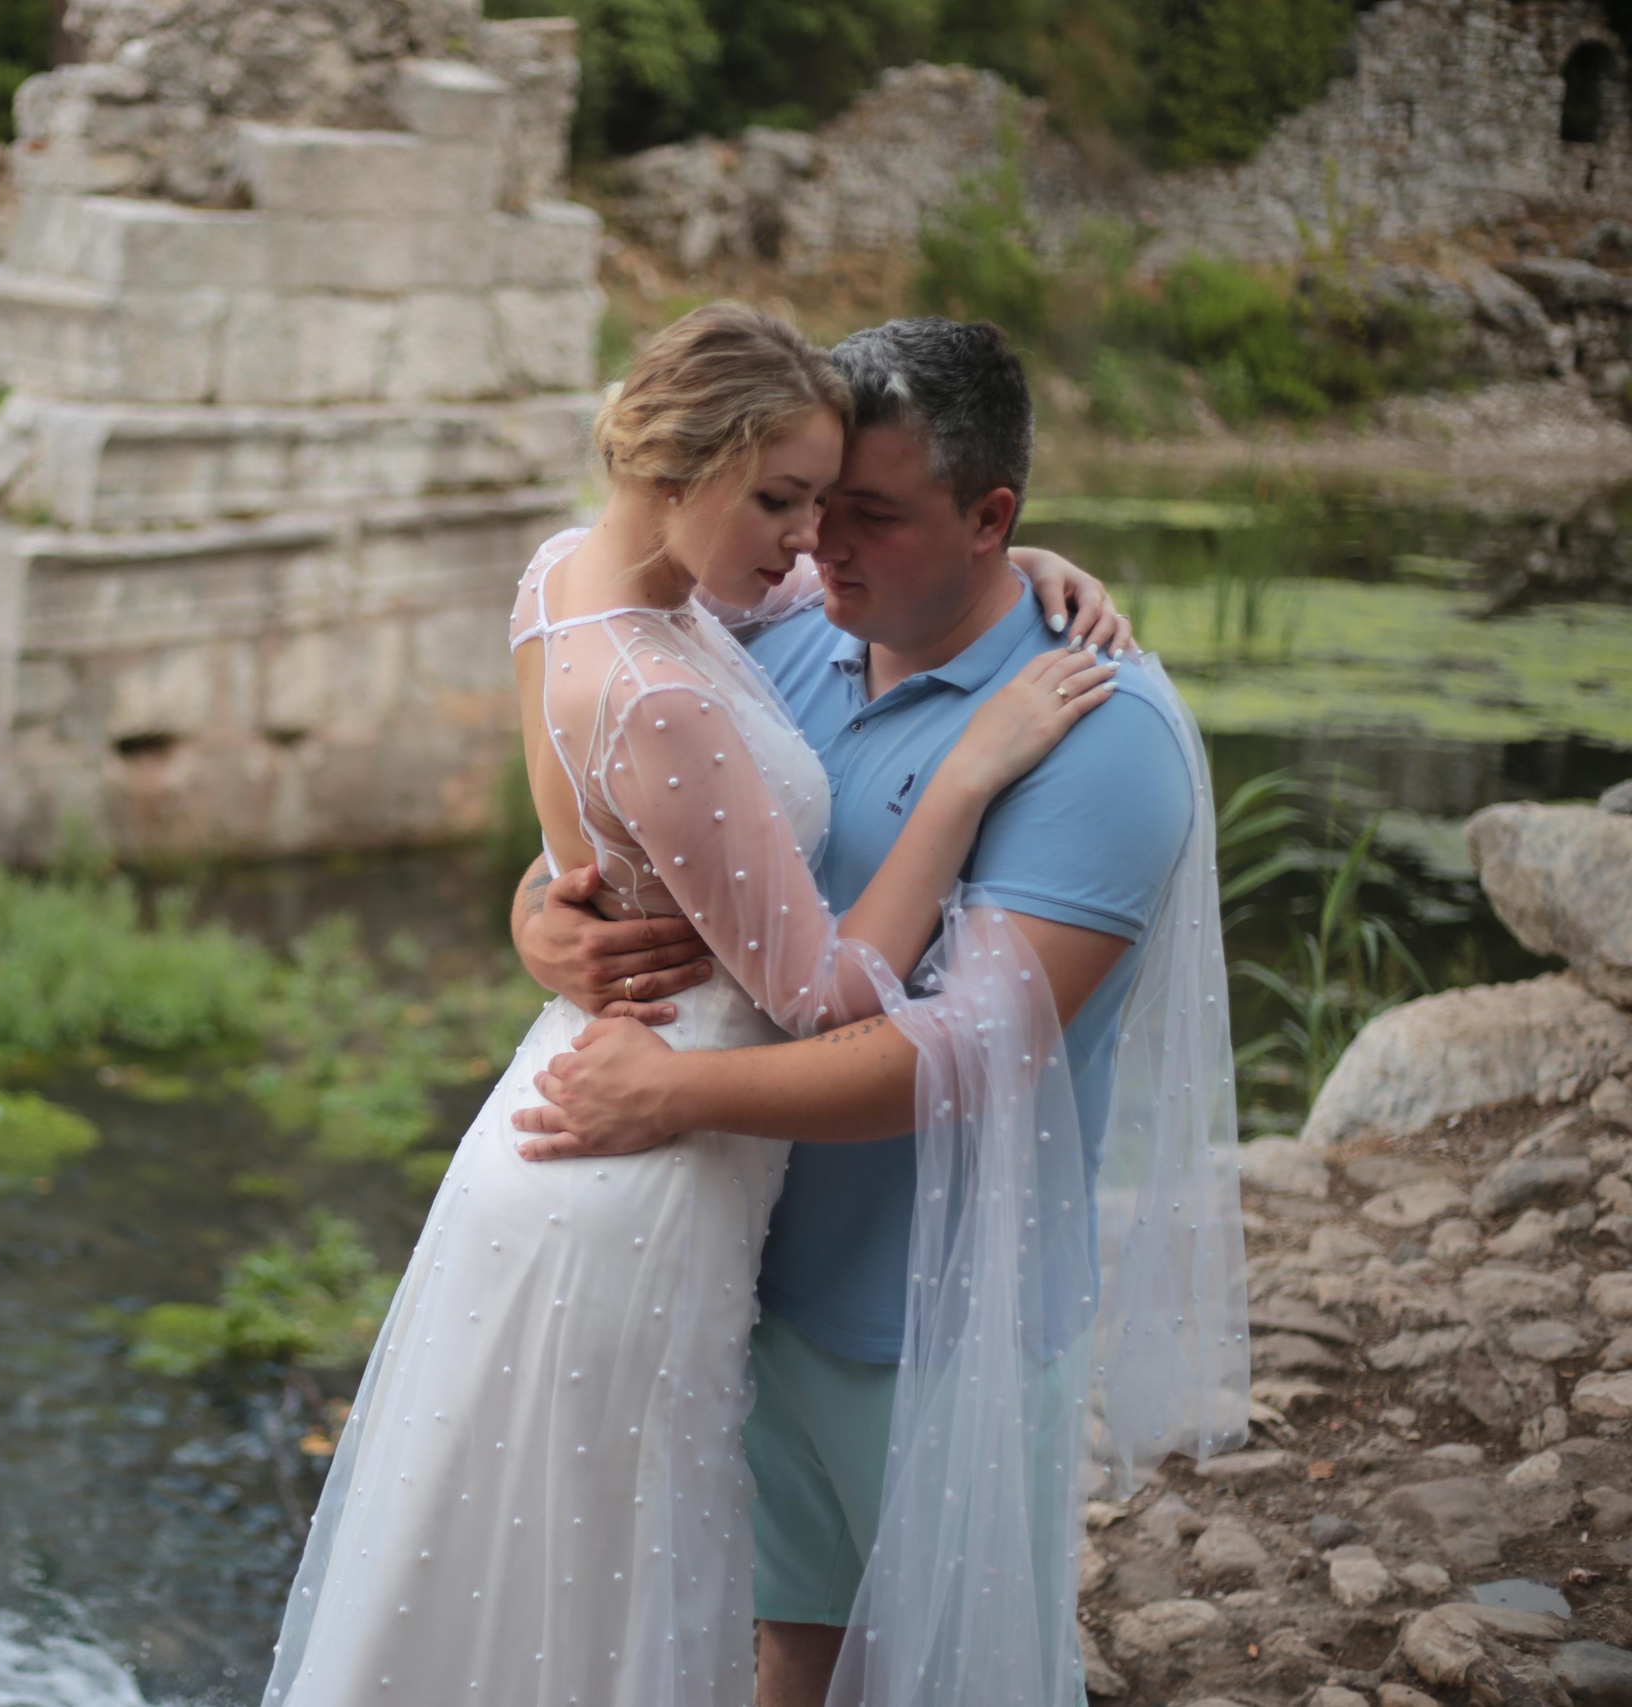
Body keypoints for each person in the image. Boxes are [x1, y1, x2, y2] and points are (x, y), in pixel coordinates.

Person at [260, 304, 1144, 1707]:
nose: (809, 547)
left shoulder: (576, 574)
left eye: (845, 511)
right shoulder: (663, 688)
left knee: (531, 1588)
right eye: (788, 501)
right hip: (641, 1173)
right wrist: (968, 774)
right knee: (595, 1611)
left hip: (580, 1122)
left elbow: (595, 849)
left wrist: (1008, 562)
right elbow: (824, 994)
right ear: (689, 467)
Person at [509, 317, 1248, 1707]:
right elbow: (642, 816)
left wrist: (678, 1094)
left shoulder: (1104, 737)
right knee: (795, 1644)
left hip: (935, 1321)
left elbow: (968, 1051)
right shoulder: (785, 627)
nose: (814, 551)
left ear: (993, 517)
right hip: (737, 1272)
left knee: (961, 1677)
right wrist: (545, 917)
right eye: (803, 507)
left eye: (872, 519)